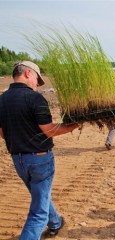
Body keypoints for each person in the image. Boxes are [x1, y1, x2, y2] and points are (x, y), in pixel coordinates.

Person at [0, 61, 79, 239]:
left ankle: (55, 223)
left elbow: (3, 133)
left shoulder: (2, 100)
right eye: (37, 78)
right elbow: (50, 130)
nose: (37, 84)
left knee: (40, 195)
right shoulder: (35, 98)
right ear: (28, 73)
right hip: (40, 160)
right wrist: (73, 126)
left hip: (18, 160)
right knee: (38, 212)